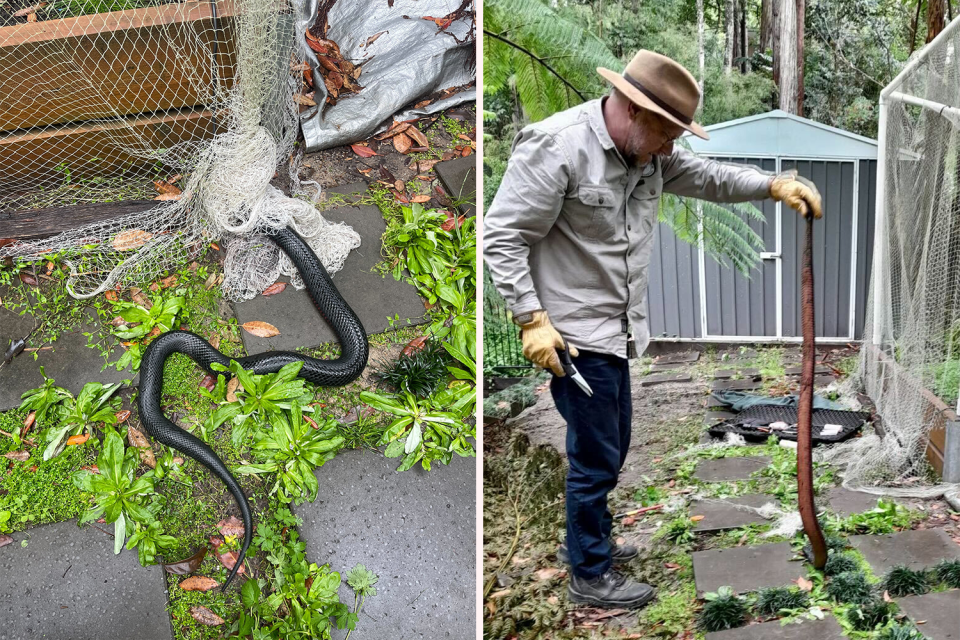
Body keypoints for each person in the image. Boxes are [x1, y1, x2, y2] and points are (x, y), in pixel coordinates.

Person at [483, 50, 822, 610]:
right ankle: (590, 574)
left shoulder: (651, 157)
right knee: (595, 459)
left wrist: (771, 185)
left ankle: (592, 545)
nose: (672, 147)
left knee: (608, 452)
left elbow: (710, 177)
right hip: (570, 337)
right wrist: (531, 319)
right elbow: (501, 236)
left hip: (616, 334)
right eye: (668, 133)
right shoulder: (558, 146)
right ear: (635, 111)